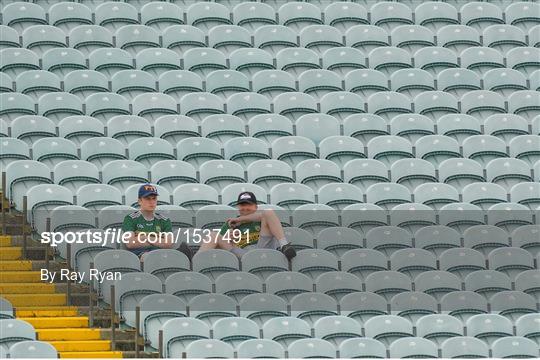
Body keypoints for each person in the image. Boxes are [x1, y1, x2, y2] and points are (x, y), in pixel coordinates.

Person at [196, 191, 297, 260]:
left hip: (263, 249)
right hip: (242, 254)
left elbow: (263, 215)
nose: (245, 208)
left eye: (248, 204)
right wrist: (229, 239)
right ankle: (195, 260)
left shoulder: (261, 218)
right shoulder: (230, 224)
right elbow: (219, 245)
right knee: (214, 235)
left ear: (256, 207)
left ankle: (285, 245)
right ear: (238, 206)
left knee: (268, 212)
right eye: (242, 205)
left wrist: (240, 219)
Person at [122, 183, 192, 260]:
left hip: (161, 253)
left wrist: (145, 238)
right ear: (139, 201)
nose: (151, 202)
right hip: (140, 254)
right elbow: (130, 243)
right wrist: (159, 242)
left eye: (154, 198)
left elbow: (168, 244)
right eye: (147, 198)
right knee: (149, 257)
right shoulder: (130, 219)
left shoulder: (164, 220)